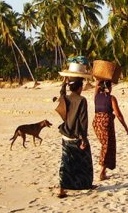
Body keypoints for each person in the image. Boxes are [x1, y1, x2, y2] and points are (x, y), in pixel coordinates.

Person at [56, 57, 96, 198]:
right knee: (84, 161)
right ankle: (84, 183)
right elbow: (82, 121)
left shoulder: (65, 98)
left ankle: (62, 188)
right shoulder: (81, 100)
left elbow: (61, 93)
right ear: (80, 87)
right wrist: (83, 138)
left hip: (65, 133)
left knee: (65, 161)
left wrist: (64, 82)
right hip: (76, 135)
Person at [93, 79, 128, 181]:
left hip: (96, 123)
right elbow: (118, 114)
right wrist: (125, 127)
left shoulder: (96, 96)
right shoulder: (111, 98)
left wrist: (98, 81)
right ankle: (101, 173)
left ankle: (103, 171)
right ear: (109, 88)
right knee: (107, 146)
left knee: (105, 145)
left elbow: (96, 87)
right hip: (106, 124)